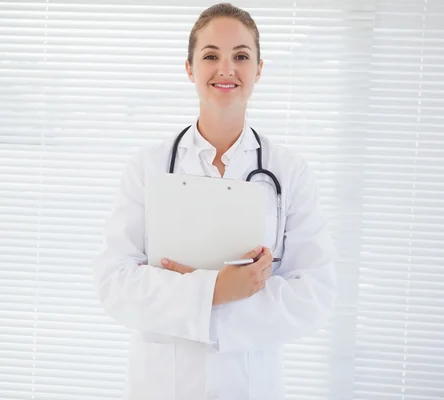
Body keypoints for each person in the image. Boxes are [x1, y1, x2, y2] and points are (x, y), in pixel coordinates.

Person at [92, 3, 337, 399]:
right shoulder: (149, 167)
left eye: (241, 56)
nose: (226, 69)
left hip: (250, 383)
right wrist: (218, 291)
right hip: (164, 384)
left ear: (259, 69)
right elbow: (114, 283)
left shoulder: (289, 172)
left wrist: (207, 301)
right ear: (189, 68)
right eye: (210, 56)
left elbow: (314, 294)